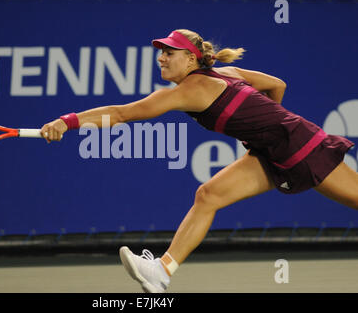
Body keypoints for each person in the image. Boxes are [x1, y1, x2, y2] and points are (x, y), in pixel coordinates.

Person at [40, 29, 358, 293]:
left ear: (191, 58)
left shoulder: (189, 90)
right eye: (161, 52)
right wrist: (266, 134)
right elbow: (278, 86)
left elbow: (122, 113)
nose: (161, 57)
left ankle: (162, 269)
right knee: (208, 195)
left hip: (302, 147)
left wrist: (66, 122)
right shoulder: (228, 73)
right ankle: (161, 271)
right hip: (273, 150)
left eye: (170, 52)